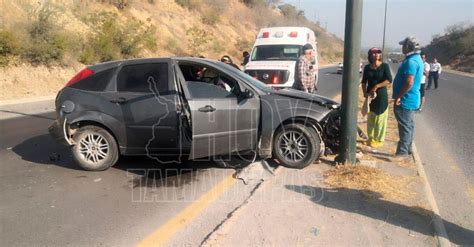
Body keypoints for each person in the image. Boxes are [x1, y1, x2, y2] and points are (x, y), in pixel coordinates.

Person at [392, 36, 423, 161]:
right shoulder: (416, 59)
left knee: (404, 126)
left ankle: (402, 153)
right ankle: (408, 148)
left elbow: (409, 82)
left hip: (406, 99)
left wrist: (398, 96)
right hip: (411, 98)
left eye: (403, 45)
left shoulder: (411, 62)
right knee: (409, 125)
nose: (402, 48)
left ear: (409, 47)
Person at [361, 47, 393, 148]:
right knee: (371, 118)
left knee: (380, 118)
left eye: (378, 52)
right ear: (370, 55)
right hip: (370, 97)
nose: (376, 54)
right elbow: (363, 82)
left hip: (381, 96)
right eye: (374, 53)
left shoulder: (385, 66)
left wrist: (376, 86)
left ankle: (379, 139)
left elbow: (389, 80)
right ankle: (371, 138)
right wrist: (365, 93)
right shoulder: (367, 68)